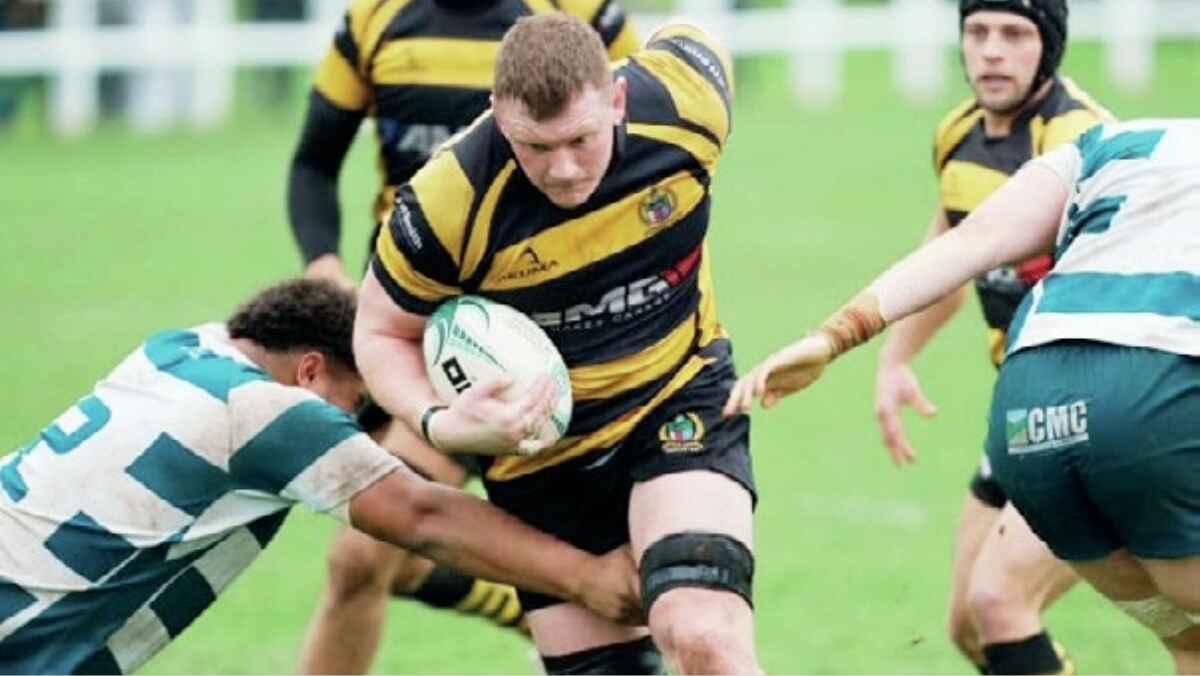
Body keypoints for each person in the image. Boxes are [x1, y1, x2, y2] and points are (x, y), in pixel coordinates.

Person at [354, 13, 757, 675]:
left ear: (617, 98)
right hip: (539, 458)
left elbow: (689, 29)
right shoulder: (447, 201)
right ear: (496, 114)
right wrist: (437, 420)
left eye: (580, 138)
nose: (563, 169)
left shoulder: (687, 102)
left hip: (676, 402)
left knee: (705, 635)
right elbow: (378, 331)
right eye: (534, 147)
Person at [728, 118, 1200, 673]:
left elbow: (976, 240)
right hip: (1149, 400)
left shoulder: (1116, 140)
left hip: (1029, 415)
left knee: (1189, 641)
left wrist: (834, 335)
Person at [0, 278, 641, 674]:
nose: (352, 428)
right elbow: (422, 516)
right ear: (310, 372)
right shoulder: (267, 413)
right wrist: (586, 576)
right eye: (356, 404)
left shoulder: (176, 349)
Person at [286, 1, 640, 671]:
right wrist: (325, 266)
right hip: (422, 333)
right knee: (369, 560)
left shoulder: (578, 13)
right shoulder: (373, 20)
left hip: (549, 335)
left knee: (369, 554)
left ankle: (575, 615)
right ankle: (546, 610)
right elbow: (312, 164)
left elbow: (639, 135)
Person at [871, 0, 1110, 671]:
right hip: (1022, 415)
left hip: (1094, 417)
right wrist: (898, 356)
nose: (992, 51)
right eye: (977, 33)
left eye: (1014, 34)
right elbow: (952, 250)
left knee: (1001, 605)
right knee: (971, 628)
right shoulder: (956, 134)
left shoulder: (1084, 145)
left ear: (1050, 44)